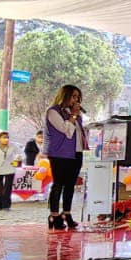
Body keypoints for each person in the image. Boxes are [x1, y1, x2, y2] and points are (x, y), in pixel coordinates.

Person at [44, 85, 86, 230]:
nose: (76, 100)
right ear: (65, 95)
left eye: (78, 97)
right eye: (73, 96)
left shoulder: (74, 114)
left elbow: (78, 134)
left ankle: (66, 213)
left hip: (76, 152)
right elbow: (66, 131)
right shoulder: (54, 112)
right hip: (60, 154)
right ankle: (54, 215)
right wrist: (73, 116)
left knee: (70, 185)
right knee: (58, 184)